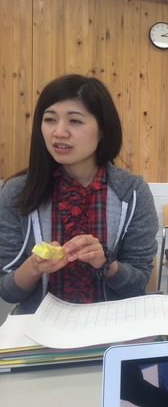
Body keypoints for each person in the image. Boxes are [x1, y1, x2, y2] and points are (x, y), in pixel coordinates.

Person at [0, 74, 158, 314]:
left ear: (102, 130)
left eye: (74, 121)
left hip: (112, 322)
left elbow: (137, 284)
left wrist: (106, 264)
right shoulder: (17, 192)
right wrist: (34, 267)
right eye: (50, 119)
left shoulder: (132, 192)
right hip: (39, 325)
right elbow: (8, 291)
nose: (59, 132)